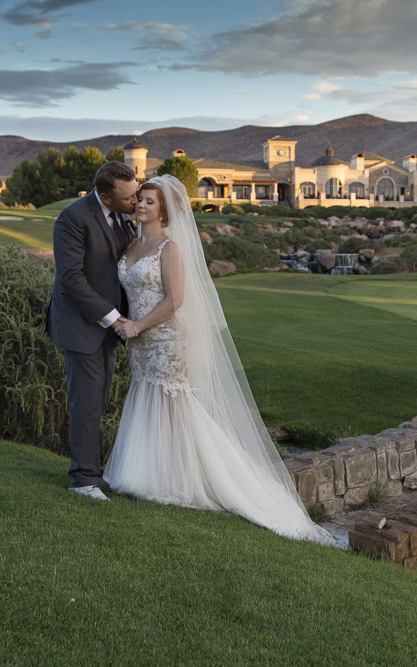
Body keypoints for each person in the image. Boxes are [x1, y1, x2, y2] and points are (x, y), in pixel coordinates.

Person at [103, 175, 335, 546]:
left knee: (173, 405)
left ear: (164, 211)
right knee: (148, 399)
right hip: (139, 341)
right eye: (140, 200)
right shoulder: (131, 246)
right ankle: (148, 474)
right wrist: (129, 329)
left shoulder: (169, 248)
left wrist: (137, 327)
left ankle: (184, 480)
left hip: (164, 337)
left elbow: (175, 300)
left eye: (149, 201)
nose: (141, 205)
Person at [45, 161, 139, 501]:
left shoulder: (124, 218)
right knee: (86, 404)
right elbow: (71, 279)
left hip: (109, 329)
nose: (135, 201)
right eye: (128, 197)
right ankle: (83, 481)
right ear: (105, 196)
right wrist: (114, 318)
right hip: (82, 326)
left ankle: (93, 471)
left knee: (98, 402)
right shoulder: (73, 218)